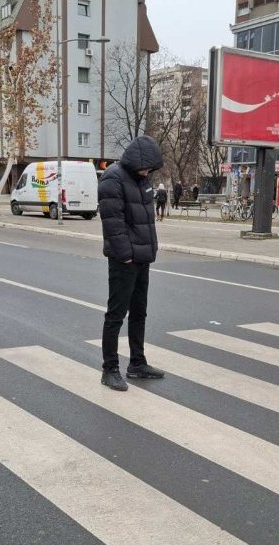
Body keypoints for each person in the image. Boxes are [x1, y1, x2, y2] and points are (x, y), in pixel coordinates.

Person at [99, 135, 165, 391]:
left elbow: (146, 220)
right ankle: (110, 369)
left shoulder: (142, 179)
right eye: (147, 166)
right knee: (116, 314)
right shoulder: (112, 178)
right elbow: (113, 223)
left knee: (139, 312)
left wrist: (150, 250)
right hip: (123, 260)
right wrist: (126, 255)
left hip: (142, 258)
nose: (149, 172)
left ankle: (137, 363)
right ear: (138, 160)